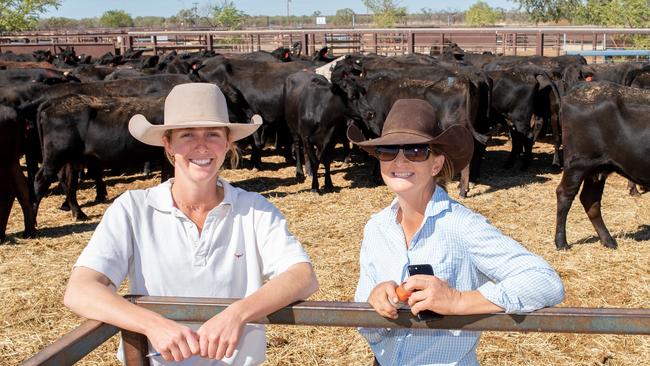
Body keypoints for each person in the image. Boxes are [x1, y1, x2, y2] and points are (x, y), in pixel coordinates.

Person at [63, 83, 319, 366]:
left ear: (227, 143)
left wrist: (238, 313)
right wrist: (151, 324)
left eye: (213, 134)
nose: (201, 145)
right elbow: (80, 290)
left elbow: (302, 275)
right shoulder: (134, 208)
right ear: (169, 144)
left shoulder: (255, 208)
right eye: (188, 135)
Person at [349, 99, 564, 366]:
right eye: (388, 150)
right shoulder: (376, 228)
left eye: (415, 150)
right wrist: (374, 303)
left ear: (436, 165)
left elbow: (545, 281)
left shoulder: (461, 225)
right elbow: (364, 320)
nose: (400, 160)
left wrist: (459, 301)